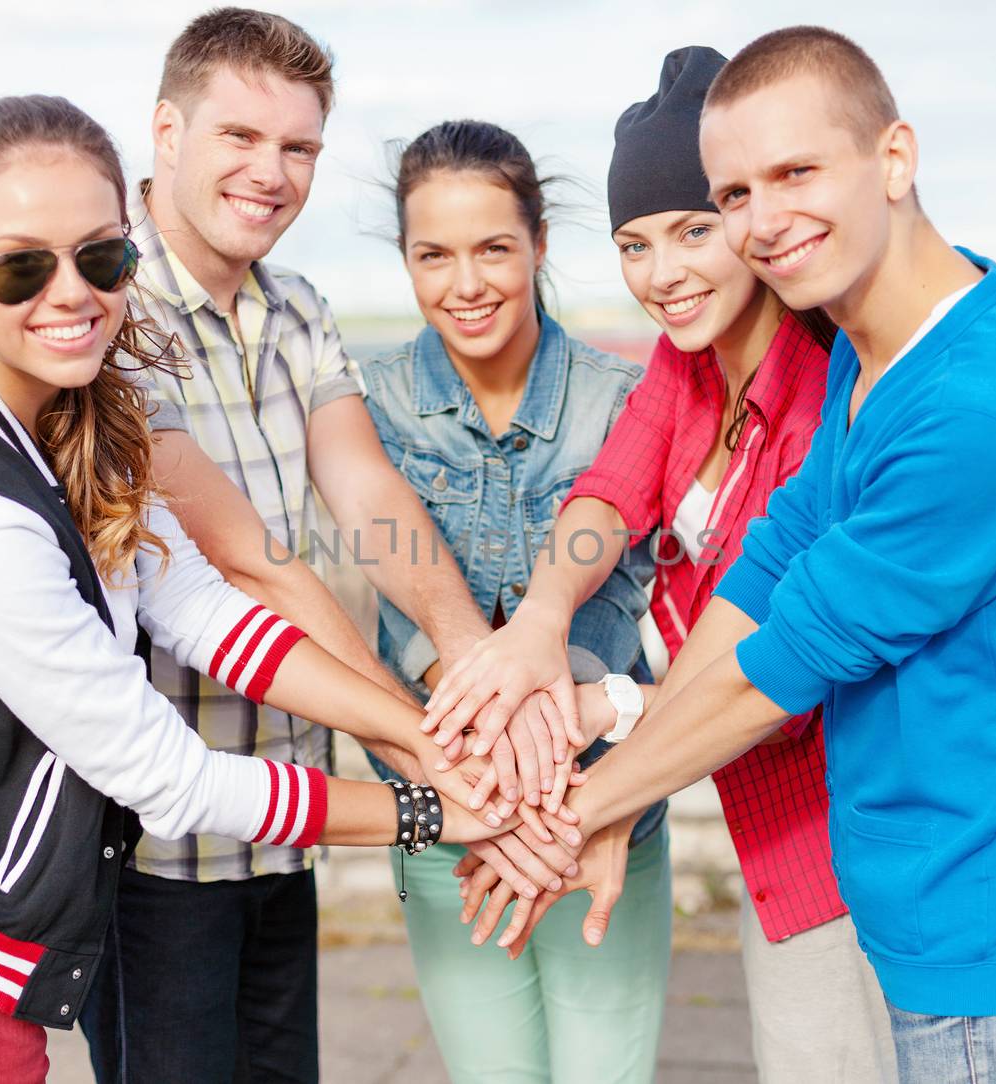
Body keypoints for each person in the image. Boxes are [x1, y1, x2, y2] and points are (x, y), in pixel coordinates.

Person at [431, 25, 996, 1084]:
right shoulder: (884, 352)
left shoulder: (976, 407)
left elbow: (779, 671)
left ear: (893, 159)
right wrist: (586, 724)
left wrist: (580, 806)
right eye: (736, 194)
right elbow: (767, 574)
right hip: (927, 892)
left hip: (995, 947)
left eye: (795, 172)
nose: (763, 222)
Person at [0, 94, 505, 1084]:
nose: (70, 293)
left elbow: (204, 606)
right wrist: (435, 810)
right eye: (20, 266)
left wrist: (429, 741)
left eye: (102, 257)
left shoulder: (50, 400)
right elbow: (172, 778)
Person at [77, 11, 563, 1081]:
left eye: (297, 147)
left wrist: (473, 660)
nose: (271, 173)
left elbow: (364, 491)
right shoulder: (106, 305)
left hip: (289, 806)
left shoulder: (294, 306)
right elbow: (249, 564)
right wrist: (435, 762)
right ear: (166, 131)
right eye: (240, 138)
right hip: (159, 837)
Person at [438, 47, 895, 1080]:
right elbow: (609, 491)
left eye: (694, 229)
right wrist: (539, 623)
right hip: (762, 809)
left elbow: (774, 653)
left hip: (847, 825)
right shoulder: (686, 369)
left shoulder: (824, 397)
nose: (664, 273)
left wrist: (611, 736)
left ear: (746, 218)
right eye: (634, 245)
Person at [359, 119, 671, 1083]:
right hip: (448, 807)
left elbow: (615, 605)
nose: (467, 283)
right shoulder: (366, 407)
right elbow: (398, 603)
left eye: (495, 247)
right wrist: (492, 775)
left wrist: (555, 794)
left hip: (600, 807)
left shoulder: (627, 399)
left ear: (539, 244)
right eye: (434, 255)